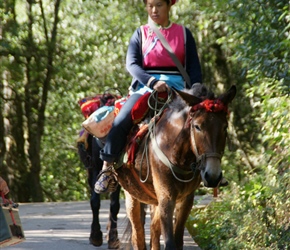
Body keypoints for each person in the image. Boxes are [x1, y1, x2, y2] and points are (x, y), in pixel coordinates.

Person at [94, 0, 203, 194]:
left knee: (206, 122)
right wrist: (153, 82)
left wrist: (195, 94)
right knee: (121, 122)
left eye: (159, 5)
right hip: (146, 88)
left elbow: (194, 70)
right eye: (150, 5)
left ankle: (208, 169)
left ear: (170, 5)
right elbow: (132, 65)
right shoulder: (140, 33)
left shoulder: (185, 34)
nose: (154, 10)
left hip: (179, 91)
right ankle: (107, 167)